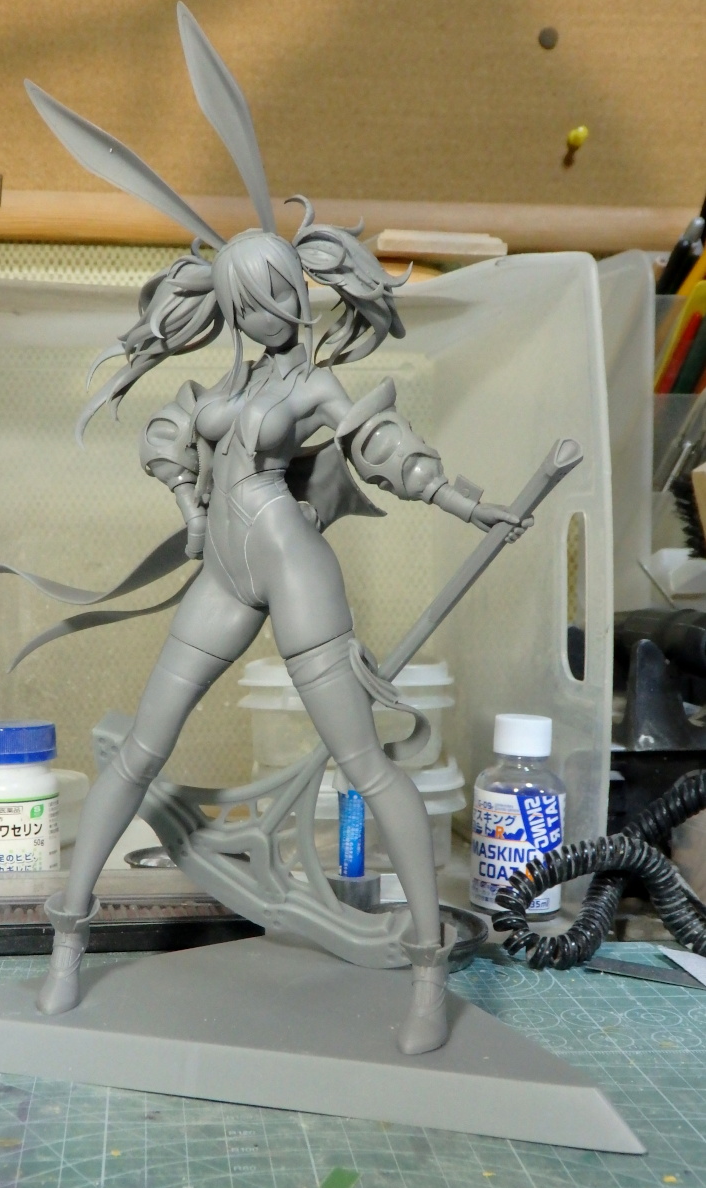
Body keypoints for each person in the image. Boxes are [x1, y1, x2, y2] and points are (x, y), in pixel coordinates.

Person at [34, 208, 526, 1054]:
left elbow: (380, 446)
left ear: (299, 291)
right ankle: (67, 941)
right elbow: (169, 434)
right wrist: (186, 501)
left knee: (363, 764)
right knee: (141, 748)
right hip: (225, 575)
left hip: (292, 566)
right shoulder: (224, 390)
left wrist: (464, 501)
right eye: (245, 305)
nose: (265, 317)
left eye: (275, 298)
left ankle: (426, 973)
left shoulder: (316, 388)